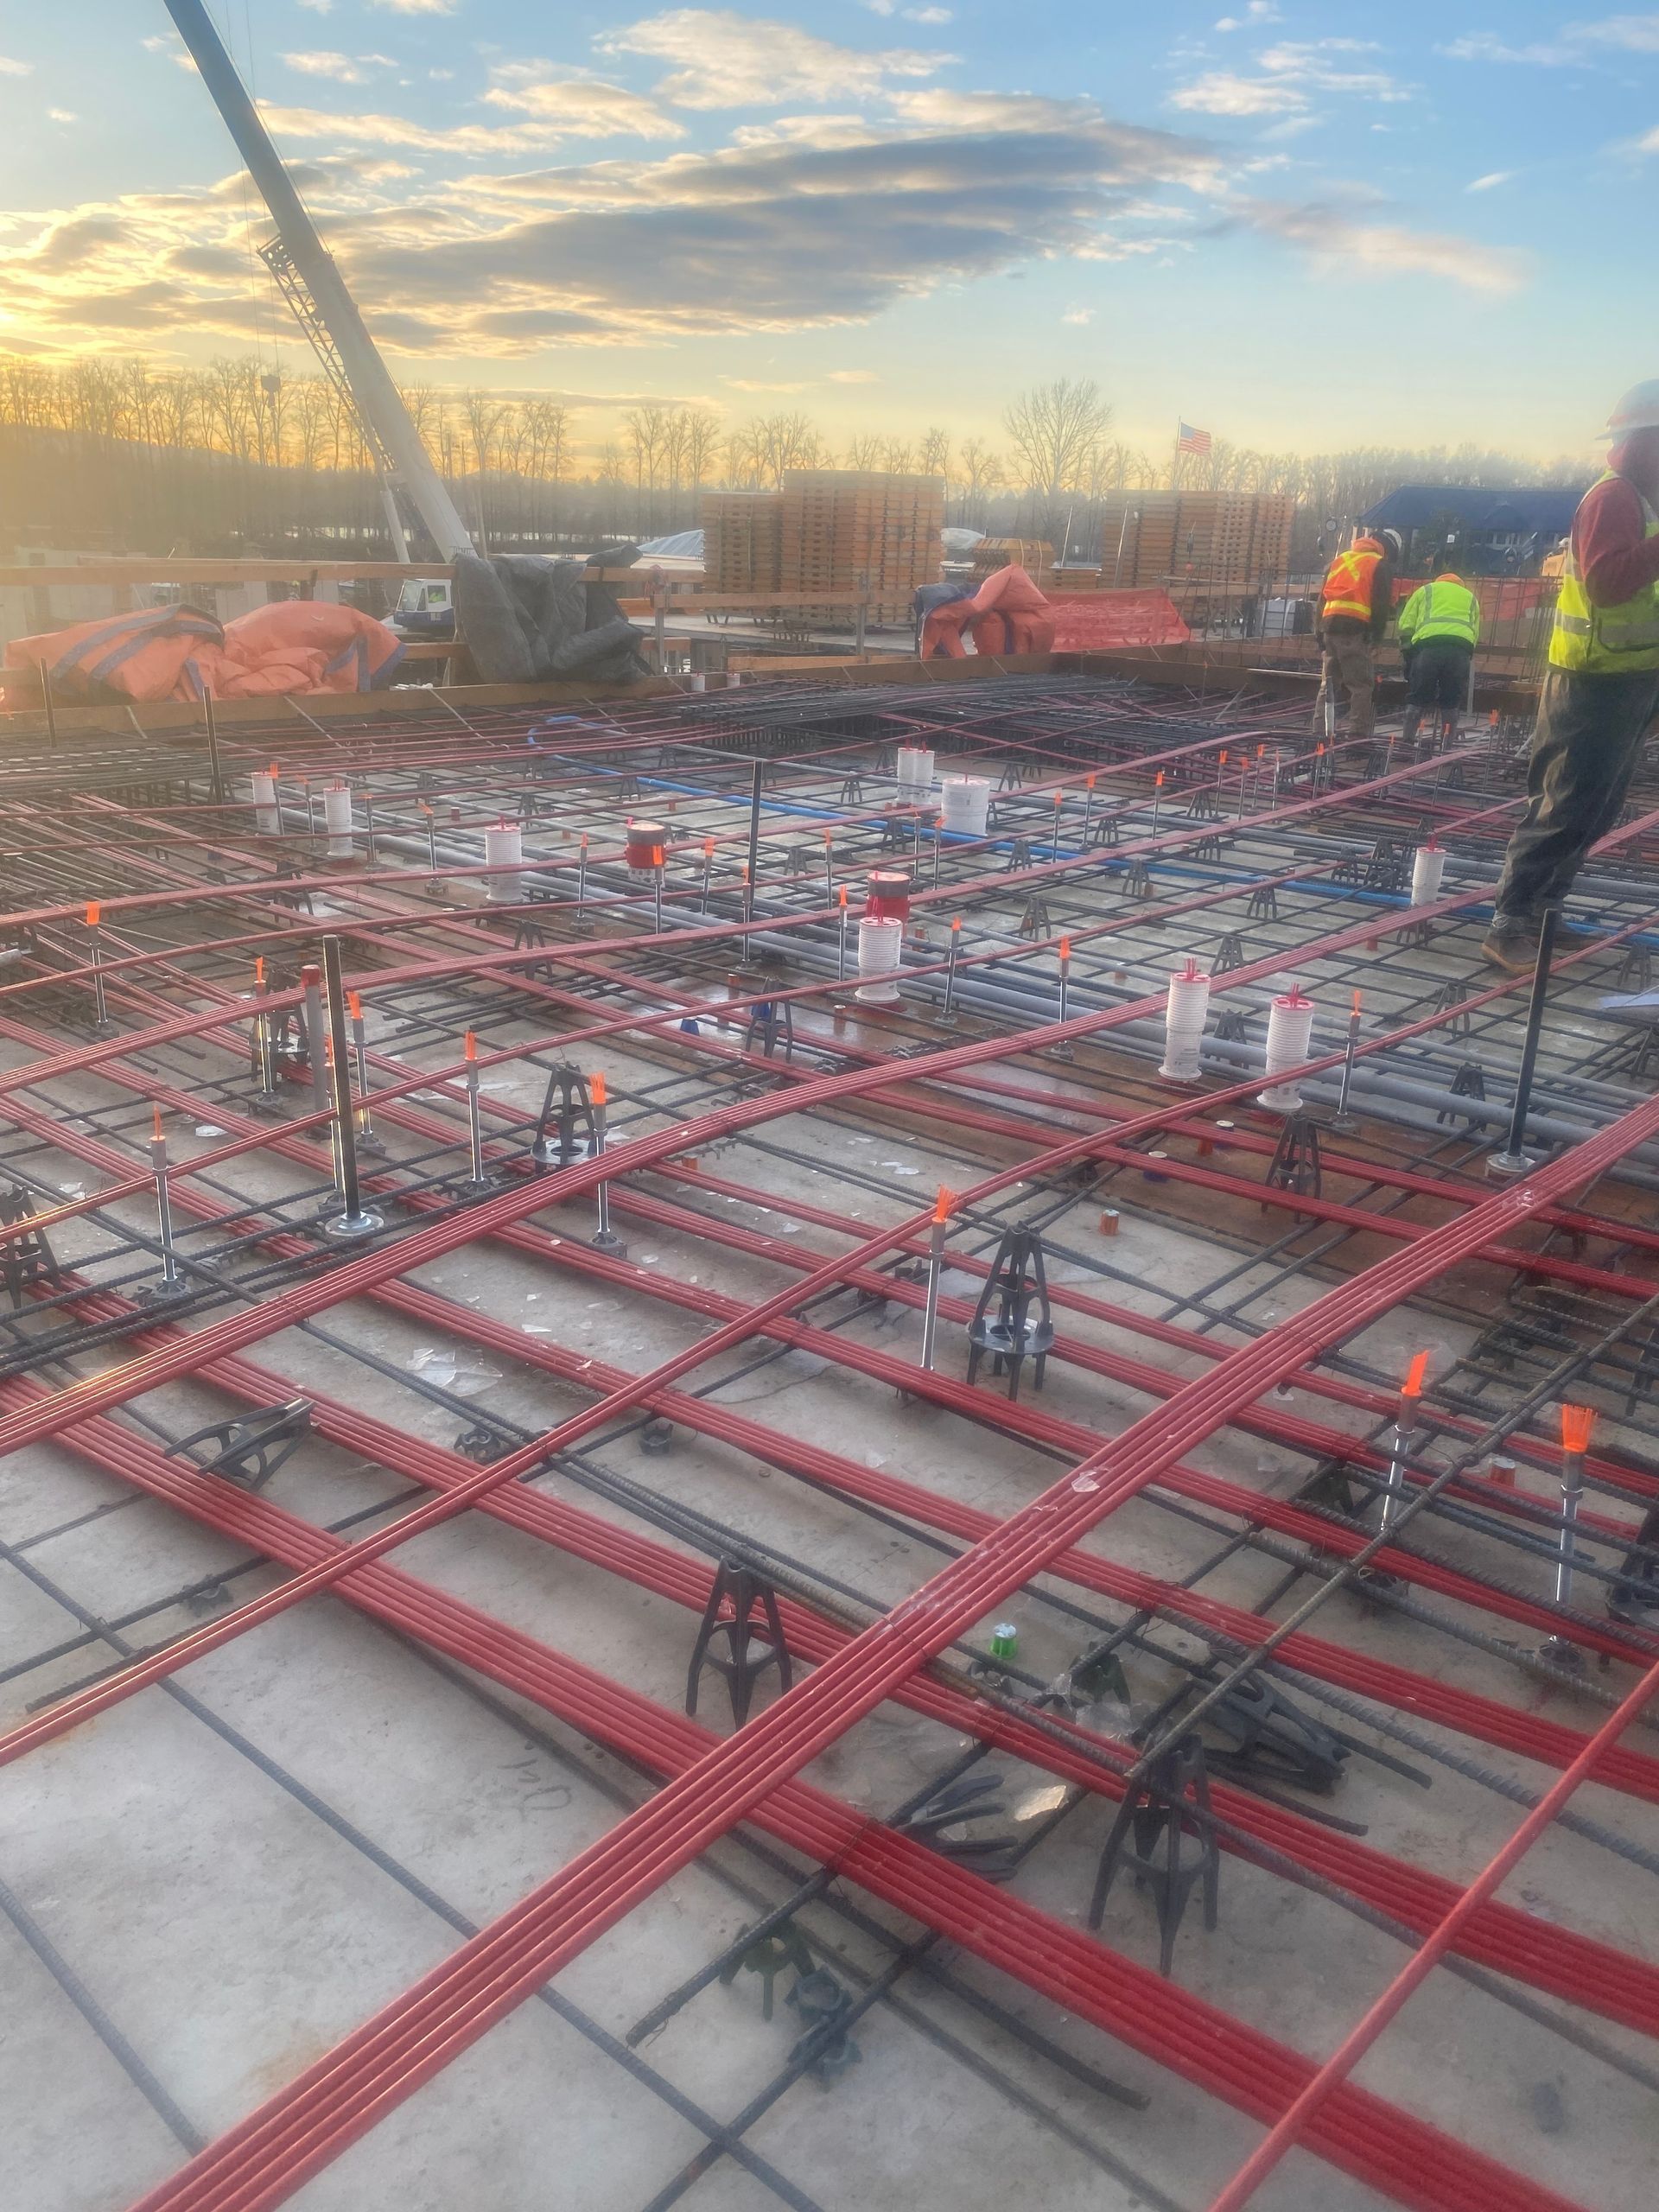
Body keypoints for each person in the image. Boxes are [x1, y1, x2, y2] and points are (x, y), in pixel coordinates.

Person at [1484, 382, 1659, 974]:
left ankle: (1544, 917)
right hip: (1592, 680)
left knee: (1596, 808)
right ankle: (1509, 924)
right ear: (1642, 441)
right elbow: (1610, 583)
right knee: (1563, 803)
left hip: (1629, 677)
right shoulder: (1614, 499)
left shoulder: (1644, 498)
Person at [1313, 528, 1396, 742]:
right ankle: (1357, 735)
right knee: (1360, 685)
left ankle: (1320, 732)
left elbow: (1321, 601)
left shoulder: (1339, 560)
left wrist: (1318, 634)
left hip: (1329, 627)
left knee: (1329, 684)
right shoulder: (1379, 564)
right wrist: (1376, 638)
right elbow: (1380, 606)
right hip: (1354, 630)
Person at [1397, 569, 1481, 756]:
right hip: (1459, 650)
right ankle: (1446, 750)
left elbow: (1406, 624)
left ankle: (1406, 747)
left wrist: (1408, 654)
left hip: (1429, 647)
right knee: (1451, 701)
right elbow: (1475, 631)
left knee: (1417, 697)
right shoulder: (1471, 598)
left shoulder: (1426, 590)